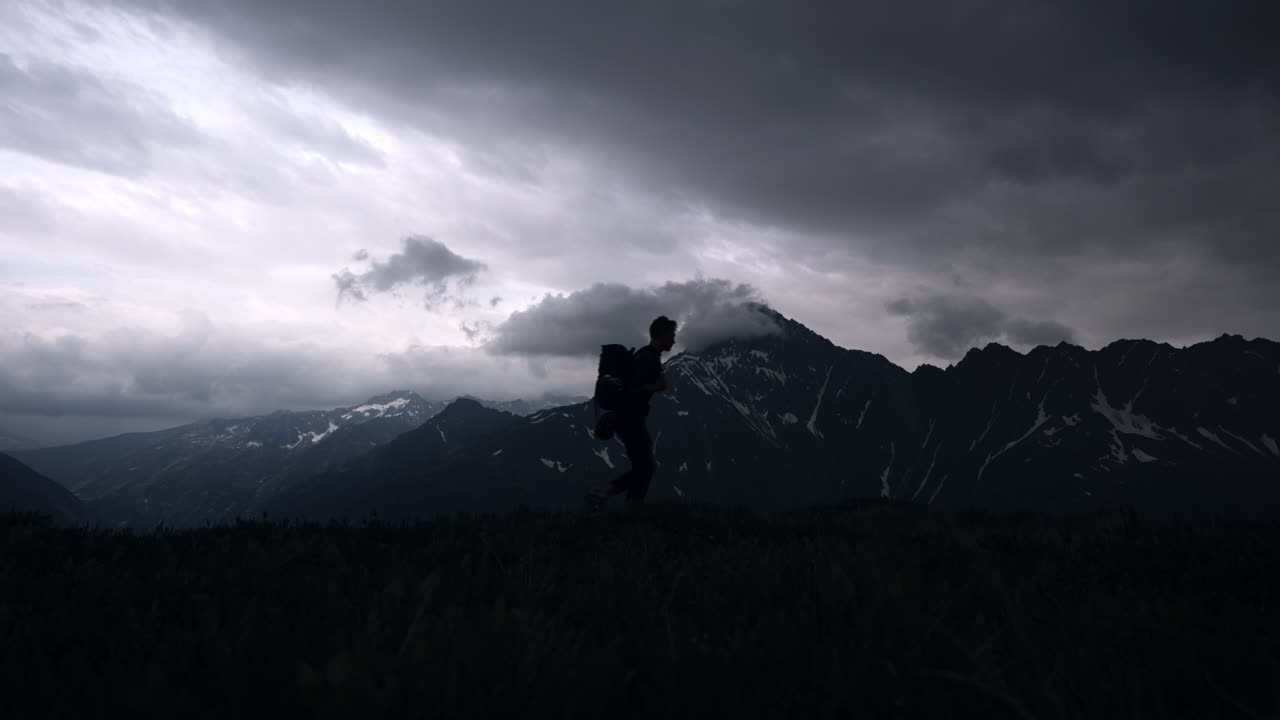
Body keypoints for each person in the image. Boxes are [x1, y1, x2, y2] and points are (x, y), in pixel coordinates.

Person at [586, 316, 677, 510]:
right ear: (661, 335)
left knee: (643, 467)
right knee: (645, 467)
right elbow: (633, 387)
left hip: (628, 419)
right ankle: (609, 497)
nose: (674, 340)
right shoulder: (648, 357)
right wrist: (657, 386)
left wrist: (657, 384)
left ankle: (621, 502)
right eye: (672, 335)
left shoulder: (648, 356)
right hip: (629, 419)